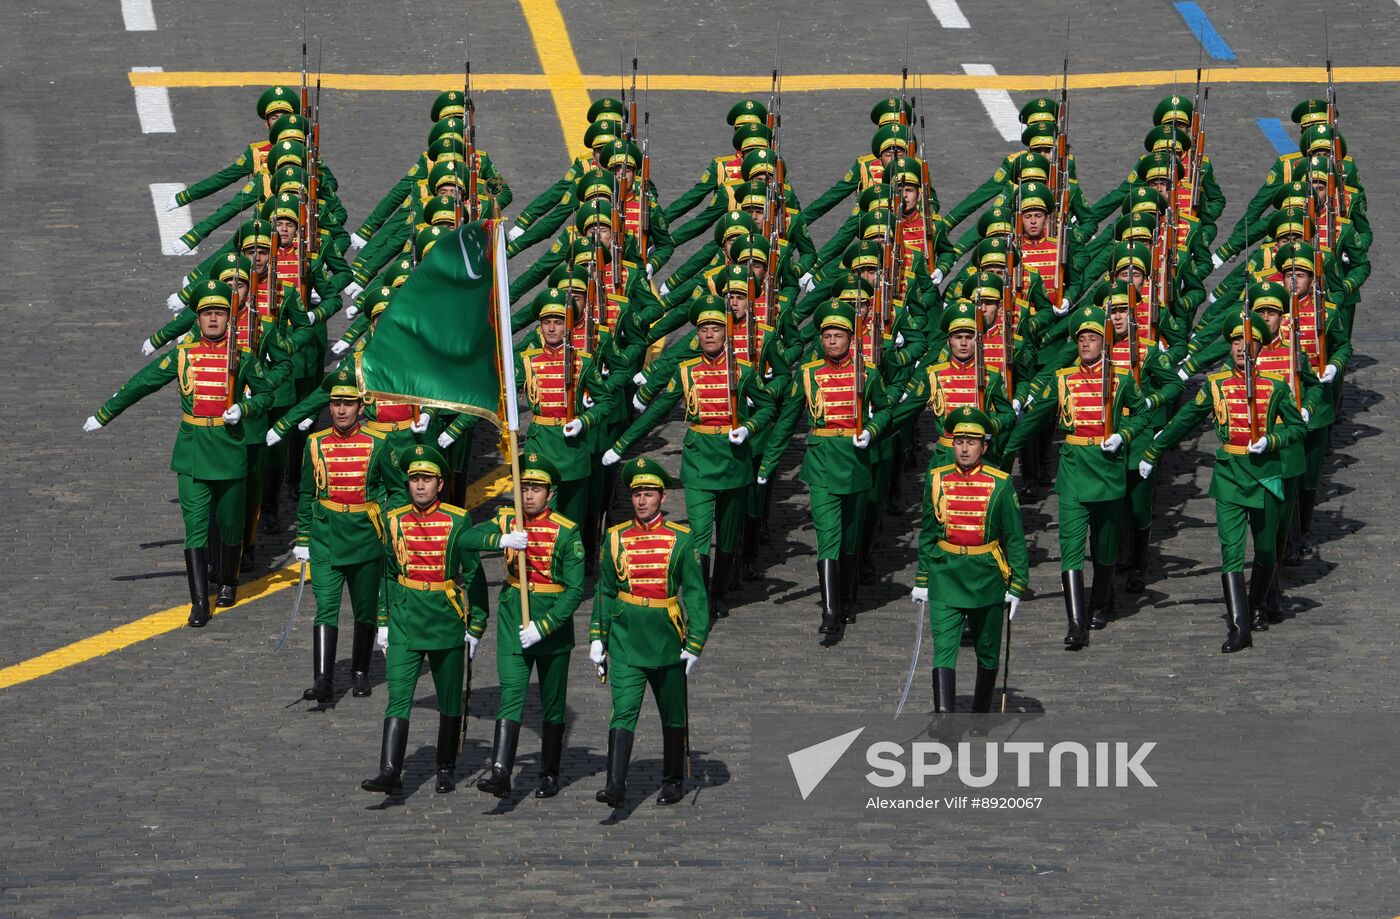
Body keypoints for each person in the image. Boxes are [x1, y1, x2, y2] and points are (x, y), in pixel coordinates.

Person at [84, 281, 286, 626]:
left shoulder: (243, 356)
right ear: (199, 317)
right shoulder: (183, 355)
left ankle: (227, 580)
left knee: (230, 523)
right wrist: (105, 413)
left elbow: (267, 394)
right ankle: (198, 602)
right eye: (207, 313)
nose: (212, 319)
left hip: (229, 448)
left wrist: (246, 408)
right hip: (193, 449)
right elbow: (142, 383)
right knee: (194, 527)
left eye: (219, 313)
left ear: (229, 318)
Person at [361, 445, 527, 795]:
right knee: (398, 695)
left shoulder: (457, 520)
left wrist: (476, 625)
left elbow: (474, 576)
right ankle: (390, 769)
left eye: (427, 479)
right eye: (414, 479)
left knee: (450, 699)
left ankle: (446, 765)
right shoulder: (394, 520)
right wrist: (383, 621)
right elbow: (388, 574)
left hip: (445, 620)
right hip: (406, 619)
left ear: (440, 484)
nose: (420, 486)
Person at [1139, 308, 1307, 652]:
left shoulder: (1275, 387)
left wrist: (1272, 440)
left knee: (1264, 549)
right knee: (1230, 551)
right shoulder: (1215, 385)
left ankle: (1258, 603)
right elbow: (1185, 420)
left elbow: (1297, 427)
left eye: (1249, 343)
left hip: (1266, 475)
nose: (1241, 349)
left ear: (1260, 348)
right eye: (1235, 343)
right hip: (1230, 474)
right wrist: (1154, 449)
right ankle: (1238, 625)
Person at [590, 457, 710, 807]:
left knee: (672, 713)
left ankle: (673, 779)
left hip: (666, 637)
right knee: (623, 708)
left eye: (649, 494)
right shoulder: (615, 538)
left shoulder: (682, 540)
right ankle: (615, 784)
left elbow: (695, 594)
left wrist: (696, 641)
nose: (642, 501)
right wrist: (598, 635)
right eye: (637, 494)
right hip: (626, 637)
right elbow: (606, 591)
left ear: (662, 498)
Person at [474, 454, 585, 800]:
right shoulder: (508, 520)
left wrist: (545, 625)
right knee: (511, 693)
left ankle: (550, 772)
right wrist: (500, 541)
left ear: (549, 493)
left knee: (553, 703)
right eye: (525, 488)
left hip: (550, 625)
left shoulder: (567, 532)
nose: (529, 496)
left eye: (536, 489)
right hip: (513, 619)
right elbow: (465, 539)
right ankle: (501, 772)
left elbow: (575, 590)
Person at [912, 407, 1029, 713]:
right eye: (959, 441)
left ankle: (980, 712)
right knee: (943, 649)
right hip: (945, 574)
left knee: (987, 651)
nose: (964, 448)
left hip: (985, 576)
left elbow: (1014, 539)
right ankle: (944, 721)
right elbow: (927, 531)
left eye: (971, 442)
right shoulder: (936, 479)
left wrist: (1017, 584)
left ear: (984, 447)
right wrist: (922, 578)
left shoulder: (1000, 483)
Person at [294, 369, 400, 702]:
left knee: (365, 610)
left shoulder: (379, 443)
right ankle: (323, 679)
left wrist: (385, 518)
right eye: (336, 403)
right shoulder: (315, 443)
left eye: (348, 403)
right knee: (325, 607)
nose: (341, 410)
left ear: (360, 406)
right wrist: (301, 537)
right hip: (326, 535)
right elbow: (307, 492)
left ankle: (360, 671)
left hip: (365, 536)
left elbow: (397, 490)